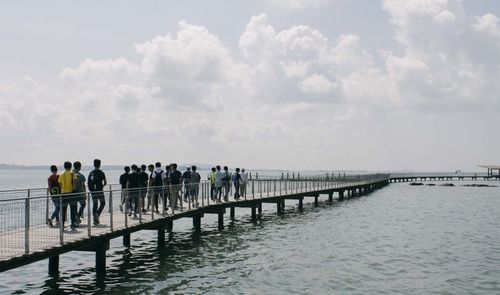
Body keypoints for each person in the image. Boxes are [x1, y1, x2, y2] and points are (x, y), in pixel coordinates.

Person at [88, 159, 107, 225]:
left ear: (94, 164)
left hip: (93, 191)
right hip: (100, 191)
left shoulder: (91, 173)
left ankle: (95, 220)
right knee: (103, 203)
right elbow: (105, 182)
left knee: (95, 204)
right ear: (100, 164)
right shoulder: (101, 173)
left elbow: (88, 183)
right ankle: (97, 214)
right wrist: (101, 186)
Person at [58, 161, 77, 229]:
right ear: (71, 166)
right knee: (73, 209)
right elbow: (74, 183)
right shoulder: (72, 174)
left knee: (63, 210)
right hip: (71, 193)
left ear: (64, 166)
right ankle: (72, 223)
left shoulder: (61, 174)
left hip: (63, 194)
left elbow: (60, 185)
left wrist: (62, 190)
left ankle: (62, 224)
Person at [73, 161, 86, 226]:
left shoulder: (71, 174)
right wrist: (85, 194)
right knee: (83, 204)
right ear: (80, 167)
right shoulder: (81, 176)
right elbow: (83, 185)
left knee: (74, 207)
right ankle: (78, 216)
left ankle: (75, 220)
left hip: (72, 193)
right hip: (80, 193)